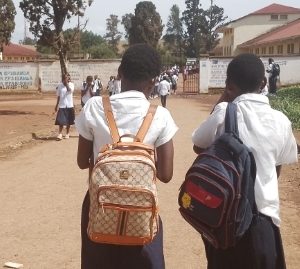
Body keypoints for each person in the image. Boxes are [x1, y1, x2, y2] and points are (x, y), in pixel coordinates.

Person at [75, 43, 178, 269]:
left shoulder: (94, 106)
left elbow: (82, 162)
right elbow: (166, 174)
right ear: (154, 79)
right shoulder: (160, 115)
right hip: (140, 211)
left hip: (99, 205)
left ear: (120, 73)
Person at [192, 53, 298, 269]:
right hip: (263, 223)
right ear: (264, 83)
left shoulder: (223, 113)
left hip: (224, 220)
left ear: (229, 85)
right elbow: (277, 168)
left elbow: (198, 144)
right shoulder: (281, 121)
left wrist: (224, 97)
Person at [54, 73, 75, 140]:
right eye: (65, 77)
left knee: (68, 121)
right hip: (62, 105)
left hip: (69, 105)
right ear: (63, 78)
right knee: (61, 121)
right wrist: (56, 105)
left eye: (68, 77)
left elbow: (70, 90)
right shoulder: (60, 85)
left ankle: (67, 133)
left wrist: (66, 85)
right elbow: (58, 96)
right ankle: (60, 134)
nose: (67, 79)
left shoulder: (71, 84)